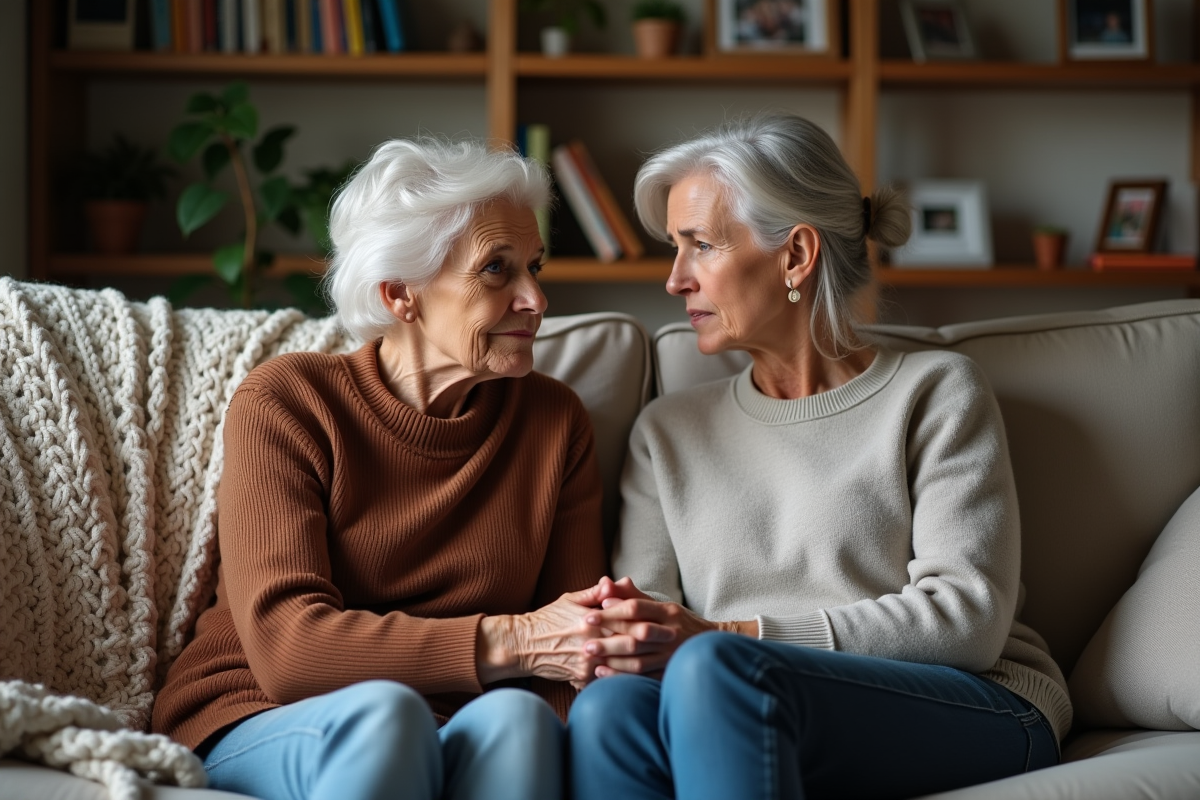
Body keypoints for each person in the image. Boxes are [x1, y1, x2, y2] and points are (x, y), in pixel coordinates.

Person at [567, 113, 1073, 800]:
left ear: (796, 256)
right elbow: (652, 631)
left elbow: (968, 621)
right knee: (608, 711)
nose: (675, 279)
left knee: (718, 666)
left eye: (701, 246)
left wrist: (735, 635)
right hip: (732, 694)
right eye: (674, 250)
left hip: (978, 702)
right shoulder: (668, 432)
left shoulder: (936, 392)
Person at [152, 138, 608, 800]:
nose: (535, 298)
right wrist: (514, 639)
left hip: (462, 716)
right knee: (387, 717)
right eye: (496, 270)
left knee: (521, 720)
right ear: (400, 295)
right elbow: (289, 649)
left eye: (534, 267)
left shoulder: (554, 422)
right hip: (261, 712)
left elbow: (571, 652)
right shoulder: (290, 401)